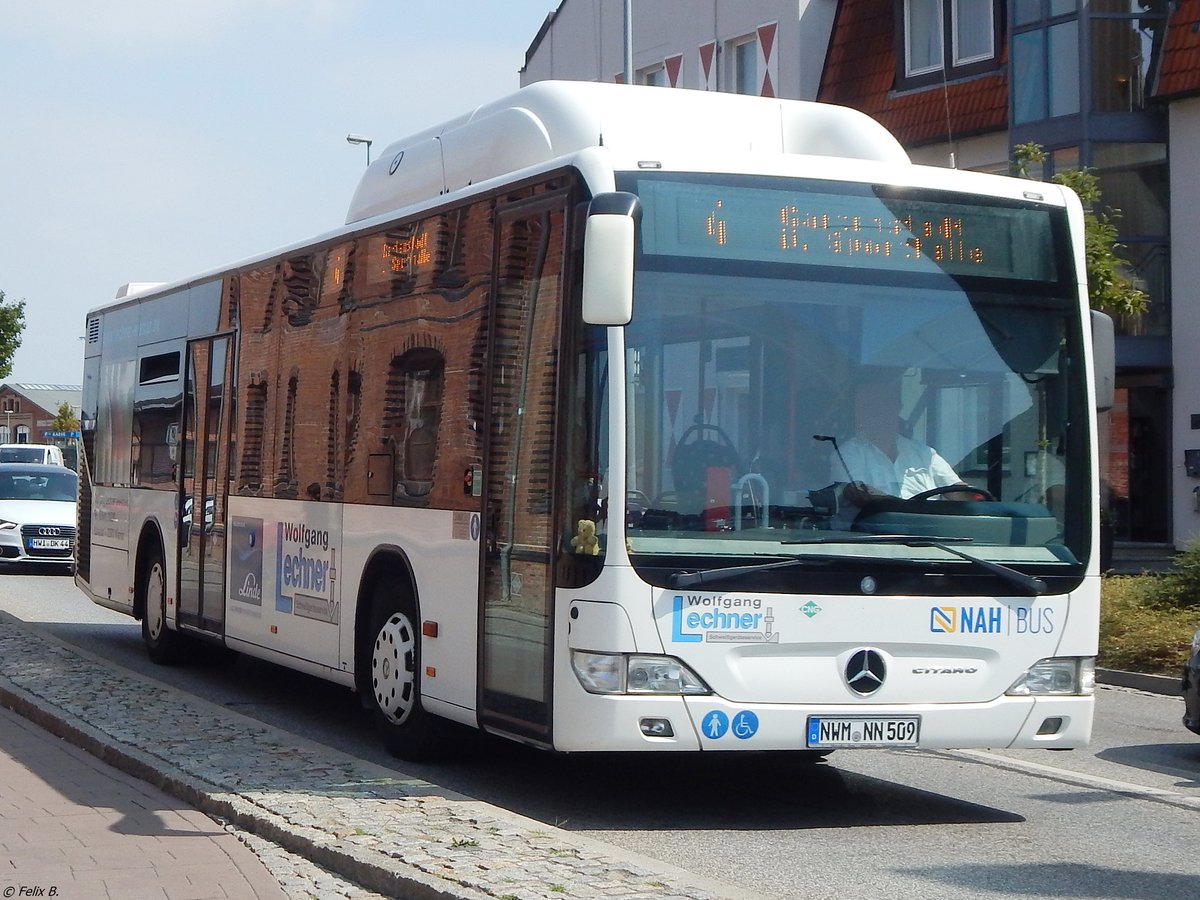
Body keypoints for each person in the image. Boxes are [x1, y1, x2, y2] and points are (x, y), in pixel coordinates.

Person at [830, 376, 971, 507]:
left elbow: (957, 490)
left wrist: (975, 497)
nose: (879, 412)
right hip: (873, 530)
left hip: (928, 529)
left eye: (885, 404)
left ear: (897, 407)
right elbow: (858, 495)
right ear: (859, 413)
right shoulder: (846, 455)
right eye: (870, 406)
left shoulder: (924, 453)